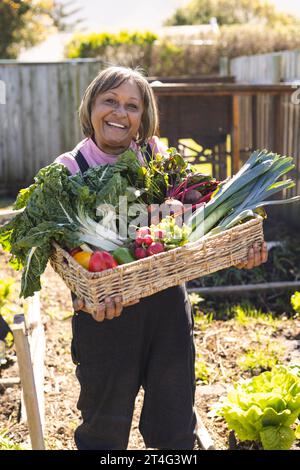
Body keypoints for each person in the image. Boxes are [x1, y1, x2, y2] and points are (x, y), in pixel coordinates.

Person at [55, 66, 268, 450]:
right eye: (110, 101)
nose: (120, 113)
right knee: (103, 433)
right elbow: (65, 255)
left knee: (174, 429)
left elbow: (196, 214)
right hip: (107, 315)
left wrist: (236, 246)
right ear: (91, 107)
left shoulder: (156, 155)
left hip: (168, 304)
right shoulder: (70, 170)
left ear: (143, 117)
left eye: (132, 106)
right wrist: (86, 296)